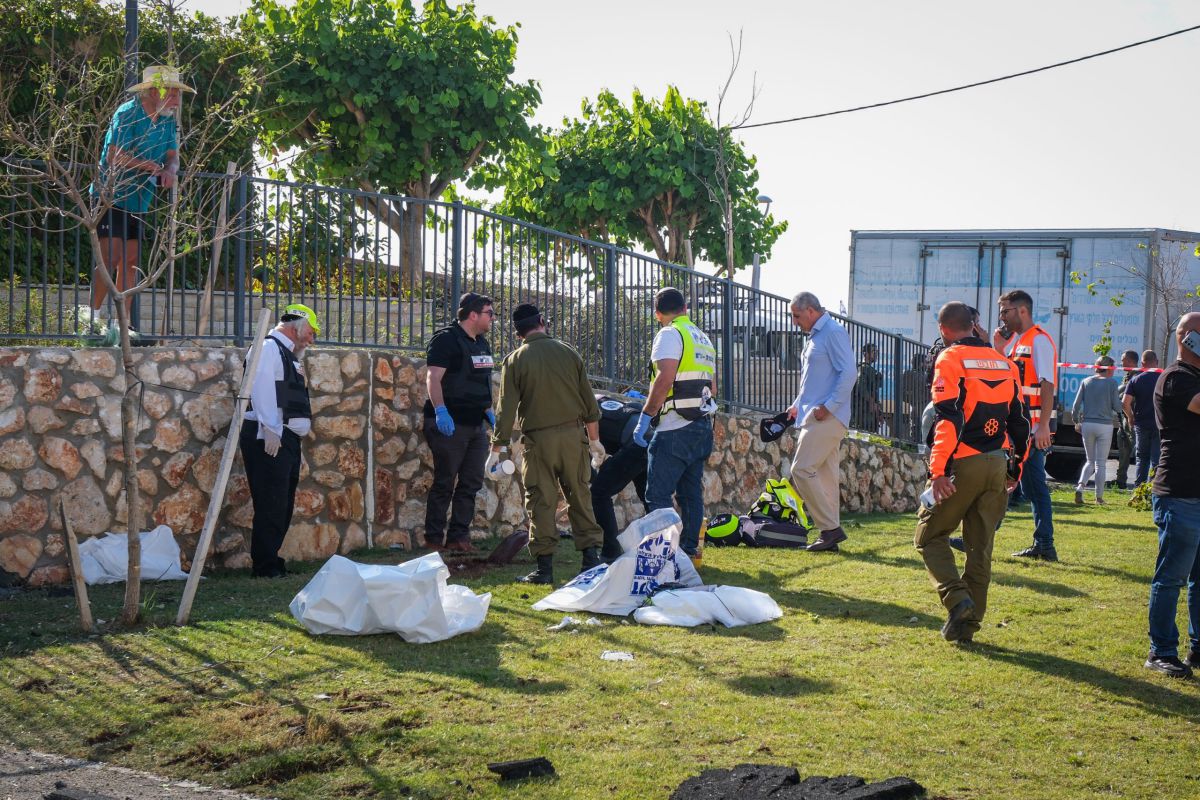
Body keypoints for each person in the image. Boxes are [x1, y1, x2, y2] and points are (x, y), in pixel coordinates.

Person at [914, 302, 1029, 643]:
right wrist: (1015, 468)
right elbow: (1020, 421)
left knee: (928, 536)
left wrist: (938, 472)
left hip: (961, 463)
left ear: (943, 329)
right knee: (980, 548)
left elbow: (948, 417)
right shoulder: (1005, 362)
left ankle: (956, 598)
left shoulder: (950, 358)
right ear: (973, 325)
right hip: (997, 463)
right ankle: (967, 626)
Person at [491, 304, 605, 584]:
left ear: (518, 334)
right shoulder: (569, 352)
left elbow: (506, 409)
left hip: (538, 441)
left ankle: (544, 570)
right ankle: (591, 560)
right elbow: (590, 405)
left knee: (541, 502)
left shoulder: (515, 360)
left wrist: (497, 447)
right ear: (543, 321)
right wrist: (595, 441)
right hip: (572, 438)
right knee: (580, 496)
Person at [90, 66, 192, 328]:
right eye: (171, 94)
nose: (177, 101)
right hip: (111, 193)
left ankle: (122, 323)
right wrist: (152, 167)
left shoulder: (168, 121)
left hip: (139, 198)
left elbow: (172, 155)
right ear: (151, 92)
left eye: (178, 95)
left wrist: (170, 169)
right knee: (110, 255)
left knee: (132, 261)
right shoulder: (127, 113)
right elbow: (114, 155)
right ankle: (92, 318)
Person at [631, 288, 718, 557]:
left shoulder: (670, 333)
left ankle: (661, 555)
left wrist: (646, 416)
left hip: (674, 426)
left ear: (658, 313)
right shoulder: (702, 338)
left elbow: (664, 378)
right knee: (691, 494)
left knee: (658, 495)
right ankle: (690, 552)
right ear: (684, 308)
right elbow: (713, 387)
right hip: (701, 424)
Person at [239, 304, 319, 578]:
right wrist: (270, 429)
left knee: (282, 503)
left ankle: (271, 560)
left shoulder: (288, 354)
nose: (312, 339)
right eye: (310, 331)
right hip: (268, 434)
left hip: (285, 437)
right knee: (270, 502)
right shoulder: (269, 347)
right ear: (296, 325)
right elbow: (260, 387)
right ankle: (264, 566)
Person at [1143, 312, 1200, 678]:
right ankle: (1161, 650)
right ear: (1188, 338)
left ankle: (1197, 649)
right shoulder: (1177, 378)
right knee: (1171, 578)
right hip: (1179, 495)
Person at [421, 292, 496, 553]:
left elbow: (481, 383)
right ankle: (433, 540)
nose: (492, 318)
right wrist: (441, 411)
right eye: (489, 313)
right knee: (445, 482)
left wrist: (490, 414)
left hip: (476, 425)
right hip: (449, 424)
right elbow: (433, 378)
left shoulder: (482, 344)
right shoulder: (446, 340)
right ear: (473, 315)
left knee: (471, 482)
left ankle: (458, 538)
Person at [784, 291, 857, 552]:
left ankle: (830, 530)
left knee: (801, 470)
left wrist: (829, 406)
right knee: (825, 477)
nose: (794, 321)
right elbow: (812, 381)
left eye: (796, 315)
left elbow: (849, 373)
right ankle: (830, 536)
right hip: (816, 414)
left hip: (826, 416)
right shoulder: (816, 336)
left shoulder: (833, 332)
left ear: (811, 311)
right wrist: (796, 405)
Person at [994, 289, 1059, 562]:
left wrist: (1043, 426)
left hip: (1031, 430)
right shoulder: (1020, 341)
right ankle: (1044, 544)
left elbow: (1047, 384)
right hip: (1022, 428)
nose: (1002, 318)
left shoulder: (1038, 341)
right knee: (1029, 487)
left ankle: (981, 535)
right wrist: (998, 348)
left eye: (1005, 312)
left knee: (1005, 481)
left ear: (1022, 311)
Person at [591, 394, 649, 562]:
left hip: (634, 443)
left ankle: (611, 552)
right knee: (650, 497)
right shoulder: (604, 401)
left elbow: (583, 462)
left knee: (599, 493)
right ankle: (668, 548)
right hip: (649, 438)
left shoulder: (581, 410)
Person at [1071, 355, 1124, 505]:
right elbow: (1117, 407)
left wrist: (1076, 422)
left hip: (1087, 424)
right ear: (1108, 368)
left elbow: (1075, 406)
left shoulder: (1086, 382)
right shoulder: (1112, 383)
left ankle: (1080, 487)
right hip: (1105, 425)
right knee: (1100, 464)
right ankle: (1099, 497)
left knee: (1089, 460)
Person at [1124, 350, 1161, 487]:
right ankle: (1153, 490)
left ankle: (1138, 489)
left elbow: (1125, 403)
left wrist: (1130, 417)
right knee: (1156, 459)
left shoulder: (1136, 380)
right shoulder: (1164, 378)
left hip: (1141, 424)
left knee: (1142, 458)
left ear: (1142, 363)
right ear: (1156, 362)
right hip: (1159, 424)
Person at [1114, 349, 1140, 489]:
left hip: (1133, 418)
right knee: (1123, 449)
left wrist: (1130, 417)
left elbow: (1129, 398)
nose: (1121, 362)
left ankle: (1140, 483)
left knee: (1138, 451)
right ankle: (1120, 480)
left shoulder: (1136, 376)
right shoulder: (1128, 376)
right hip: (1126, 418)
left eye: (1123, 359)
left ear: (1130, 361)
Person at [851, 343, 883, 433]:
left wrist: (879, 411)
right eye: (873, 352)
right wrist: (871, 402)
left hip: (870, 412)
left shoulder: (870, 369)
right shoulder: (862, 368)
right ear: (866, 354)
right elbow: (860, 387)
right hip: (863, 411)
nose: (876, 354)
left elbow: (874, 392)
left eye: (877, 352)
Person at [901, 352, 928, 442]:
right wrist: (915, 402)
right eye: (925, 362)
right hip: (917, 405)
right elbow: (904, 392)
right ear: (920, 363)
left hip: (927, 405)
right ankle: (916, 446)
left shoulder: (926, 375)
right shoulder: (909, 374)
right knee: (917, 427)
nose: (927, 364)